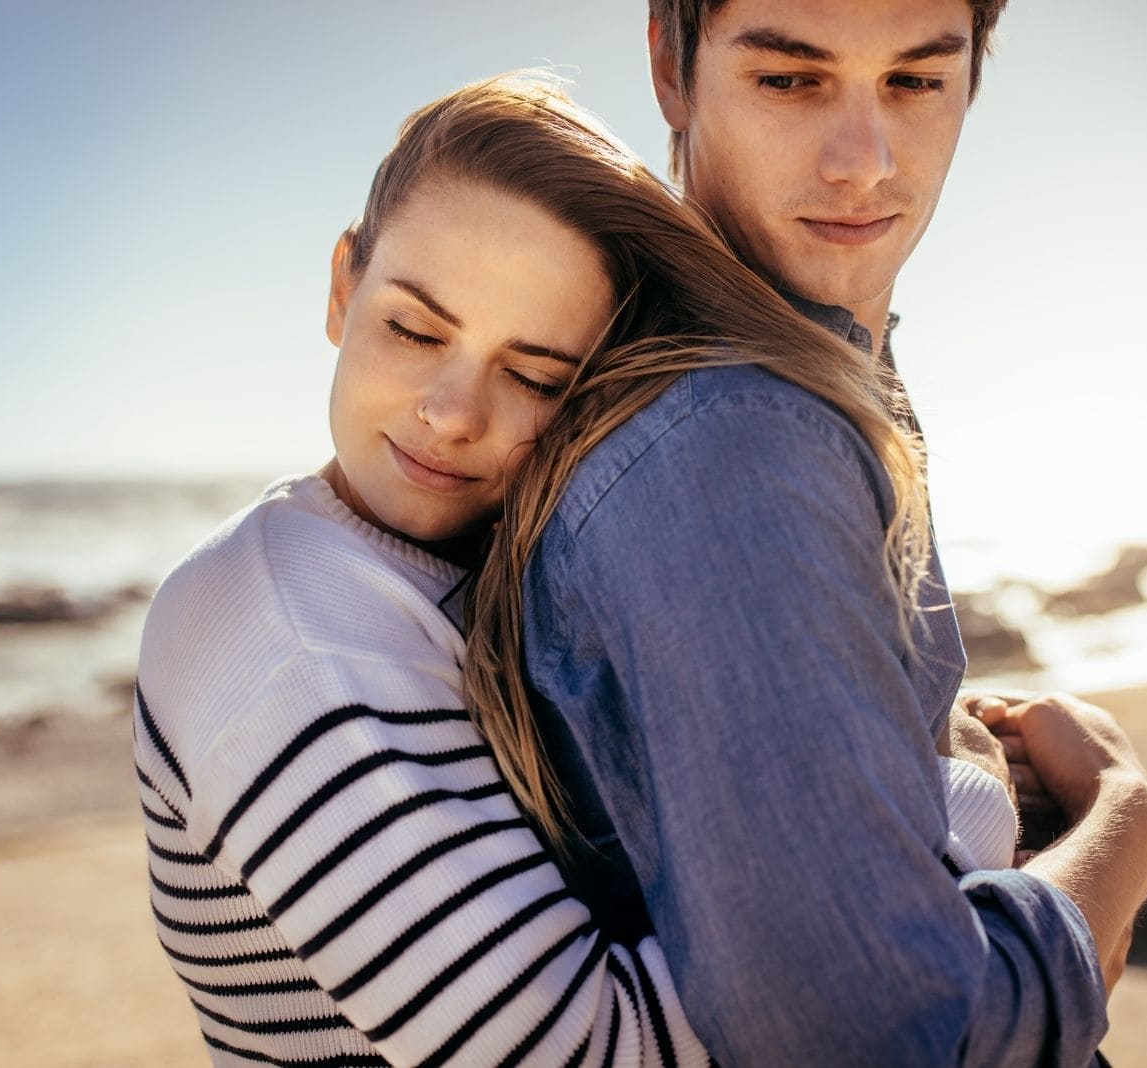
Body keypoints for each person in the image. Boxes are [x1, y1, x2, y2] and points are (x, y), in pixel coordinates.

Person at [133, 75, 1021, 1067]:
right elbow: (584, 1052)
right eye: (415, 329)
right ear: (344, 286)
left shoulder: (496, 579)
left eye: (534, 375)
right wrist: (962, 803)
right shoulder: (282, 617)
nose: (454, 411)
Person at [465, 2, 1147, 1065]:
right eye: (789, 81)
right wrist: (1121, 824)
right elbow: (894, 1044)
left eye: (914, 82)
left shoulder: (815, 379)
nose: (863, 164)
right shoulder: (736, 435)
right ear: (671, 65)